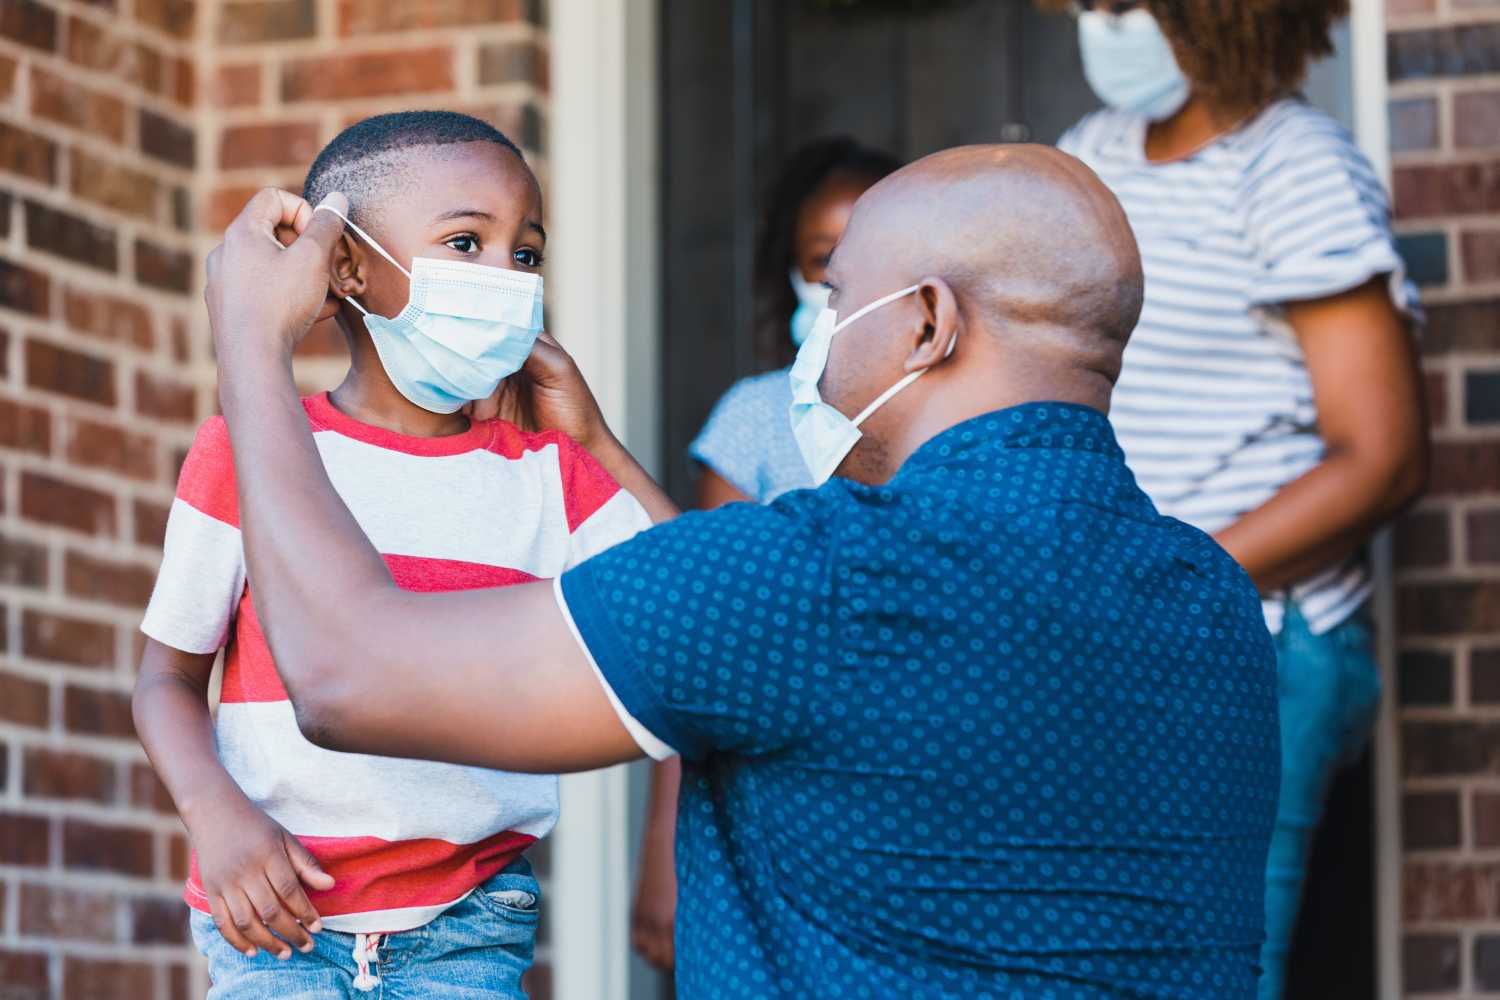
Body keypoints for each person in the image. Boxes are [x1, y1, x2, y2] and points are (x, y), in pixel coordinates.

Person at [205, 144, 1282, 998]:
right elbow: (755, 655)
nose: (816, 344)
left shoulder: (825, 578)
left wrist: (253, 339)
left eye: (838, 291)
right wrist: (608, 458)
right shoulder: (1219, 607)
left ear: (925, 323)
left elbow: (349, 676)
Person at [131, 111, 652, 998]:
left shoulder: (548, 476)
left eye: (525, 255)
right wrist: (216, 819)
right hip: (275, 918)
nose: (508, 282)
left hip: (468, 925)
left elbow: (705, 605)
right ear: (349, 267)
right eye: (465, 242)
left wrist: (597, 443)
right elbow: (166, 680)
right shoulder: (251, 451)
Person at [1040, 2, 1429, 996]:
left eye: (1126, 6)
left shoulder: (1295, 168)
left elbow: (1381, 458)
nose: (1101, 24)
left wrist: (1170, 581)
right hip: (1123, 637)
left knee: (1206, 974)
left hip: (1254, 641)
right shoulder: (1093, 153)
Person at [632, 136, 902, 970]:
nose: (837, 289)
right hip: (769, 788)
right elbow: (709, 640)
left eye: (866, 262)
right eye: (822, 264)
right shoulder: (752, 421)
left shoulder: (945, 425)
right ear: (788, 274)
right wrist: (662, 855)